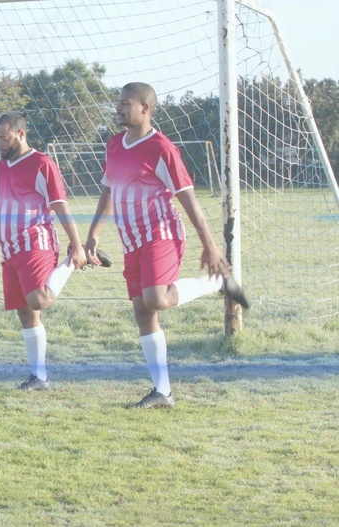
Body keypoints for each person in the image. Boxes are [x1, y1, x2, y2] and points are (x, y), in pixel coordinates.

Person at [84, 82, 251, 409]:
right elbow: (108, 190)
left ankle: (216, 282)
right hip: (131, 240)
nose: (118, 107)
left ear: (145, 108)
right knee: (143, 313)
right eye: (118, 102)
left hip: (161, 234)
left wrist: (210, 246)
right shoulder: (114, 145)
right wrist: (93, 234)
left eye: (125, 103)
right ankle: (163, 392)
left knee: (156, 299)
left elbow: (189, 201)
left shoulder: (162, 148)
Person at [0, 112, 105, 391]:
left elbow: (60, 205)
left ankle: (72, 263)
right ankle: (39, 377)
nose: (0, 143)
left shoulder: (42, 164)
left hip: (35, 243)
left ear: (21, 134)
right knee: (27, 314)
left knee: (38, 299)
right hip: (9, 250)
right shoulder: (1, 167)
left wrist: (77, 245)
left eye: (5, 138)